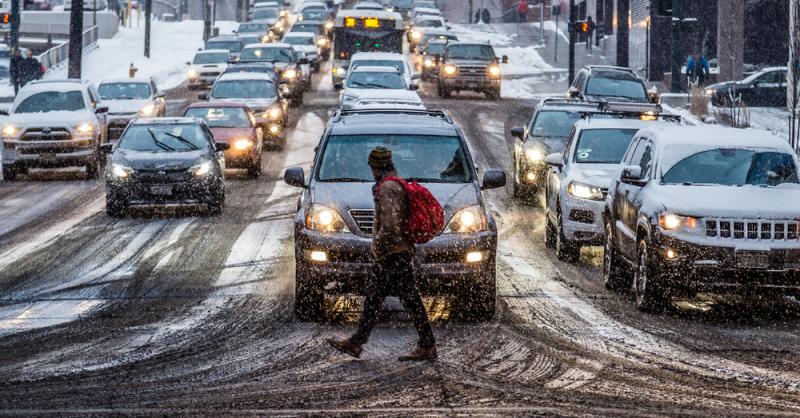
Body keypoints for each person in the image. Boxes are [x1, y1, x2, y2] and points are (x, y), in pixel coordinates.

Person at [327, 147, 437, 362]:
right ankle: (426, 344)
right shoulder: (393, 183)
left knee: (378, 299)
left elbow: (389, 224)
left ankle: (357, 342)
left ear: (373, 167)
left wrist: (380, 250)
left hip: (392, 253)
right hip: (399, 251)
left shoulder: (387, 188)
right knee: (404, 299)